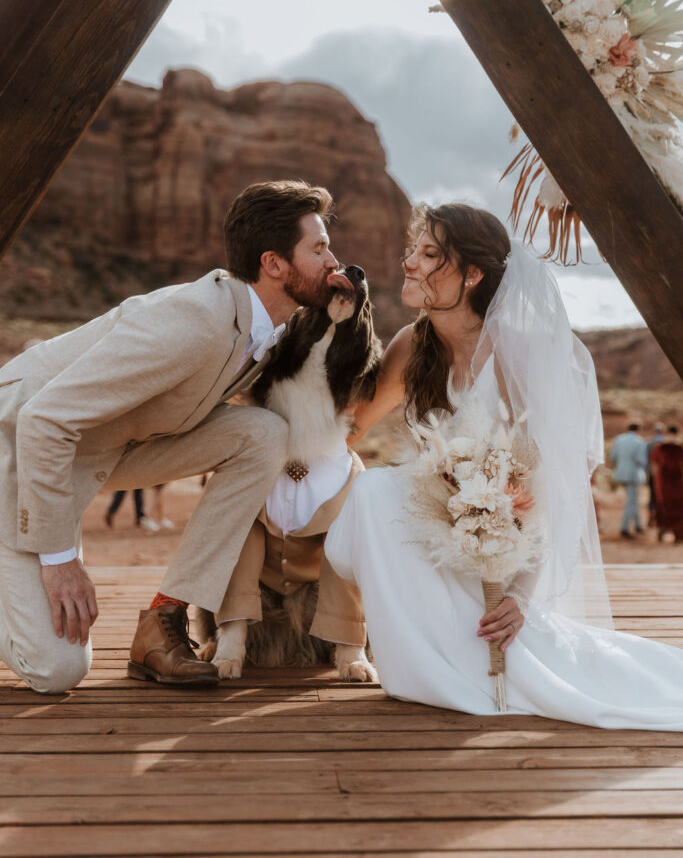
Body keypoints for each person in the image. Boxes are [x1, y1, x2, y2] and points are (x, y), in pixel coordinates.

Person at [325, 203, 683, 729]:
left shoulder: (516, 355)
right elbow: (347, 429)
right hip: (437, 534)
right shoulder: (411, 346)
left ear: (472, 275)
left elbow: (559, 487)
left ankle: (460, 653)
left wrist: (518, 595)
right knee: (375, 489)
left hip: (503, 554)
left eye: (429, 255)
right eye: (412, 251)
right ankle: (419, 650)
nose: (409, 263)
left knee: (378, 493)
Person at [0, 181, 339, 692]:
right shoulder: (194, 322)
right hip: (18, 449)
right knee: (56, 670)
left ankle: (162, 619)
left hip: (97, 451)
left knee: (263, 434)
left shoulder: (265, 329)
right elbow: (44, 420)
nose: (332, 260)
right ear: (274, 264)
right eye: (318, 249)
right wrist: (60, 561)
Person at [610, 422, 648, 539]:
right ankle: (624, 528)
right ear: (638, 429)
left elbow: (613, 457)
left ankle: (638, 525)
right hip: (633, 475)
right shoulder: (639, 441)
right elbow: (641, 460)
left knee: (633, 499)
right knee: (631, 501)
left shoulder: (618, 439)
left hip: (621, 473)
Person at [650, 427, 683, 542]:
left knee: (676, 504)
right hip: (664, 480)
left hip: (675, 481)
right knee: (664, 503)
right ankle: (663, 530)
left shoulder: (678, 448)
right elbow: (654, 465)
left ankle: (677, 534)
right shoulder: (660, 448)